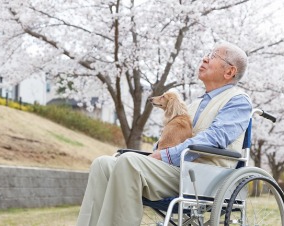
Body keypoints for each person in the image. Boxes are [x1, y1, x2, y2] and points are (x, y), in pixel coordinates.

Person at [76, 42, 252, 226]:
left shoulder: (238, 101)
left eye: (214, 56)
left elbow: (215, 138)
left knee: (129, 161)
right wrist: (160, 151)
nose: (205, 58)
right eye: (208, 54)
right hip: (178, 169)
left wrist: (165, 155)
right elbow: (171, 139)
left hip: (204, 176)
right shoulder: (193, 105)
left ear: (229, 72)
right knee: (102, 164)